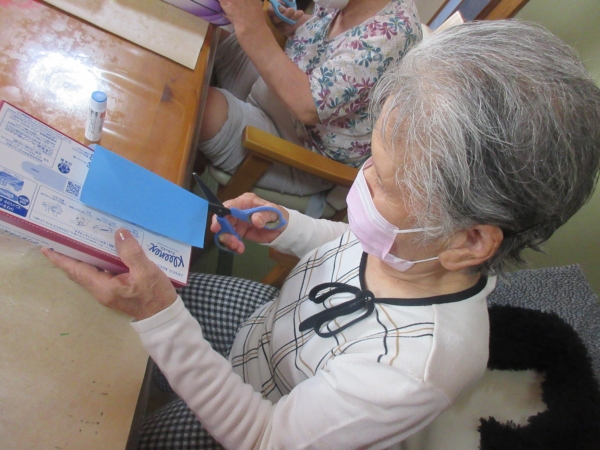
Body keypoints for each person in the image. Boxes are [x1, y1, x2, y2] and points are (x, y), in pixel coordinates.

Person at [43, 20, 600, 449]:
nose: (361, 182)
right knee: (119, 303)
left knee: (124, 431)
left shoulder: (411, 372)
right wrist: (288, 227)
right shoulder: (417, 245)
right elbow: (345, 245)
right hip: (266, 327)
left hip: (259, 419)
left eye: (382, 183)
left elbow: (263, 436)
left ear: (469, 242)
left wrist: (161, 317)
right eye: (369, 160)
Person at [198, 0, 422, 199]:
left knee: (200, 106)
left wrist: (251, 26)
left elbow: (307, 107)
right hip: (278, 93)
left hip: (302, 145)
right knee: (209, 32)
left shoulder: (392, 33)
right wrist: (297, 25)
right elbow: (340, 43)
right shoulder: (350, 3)